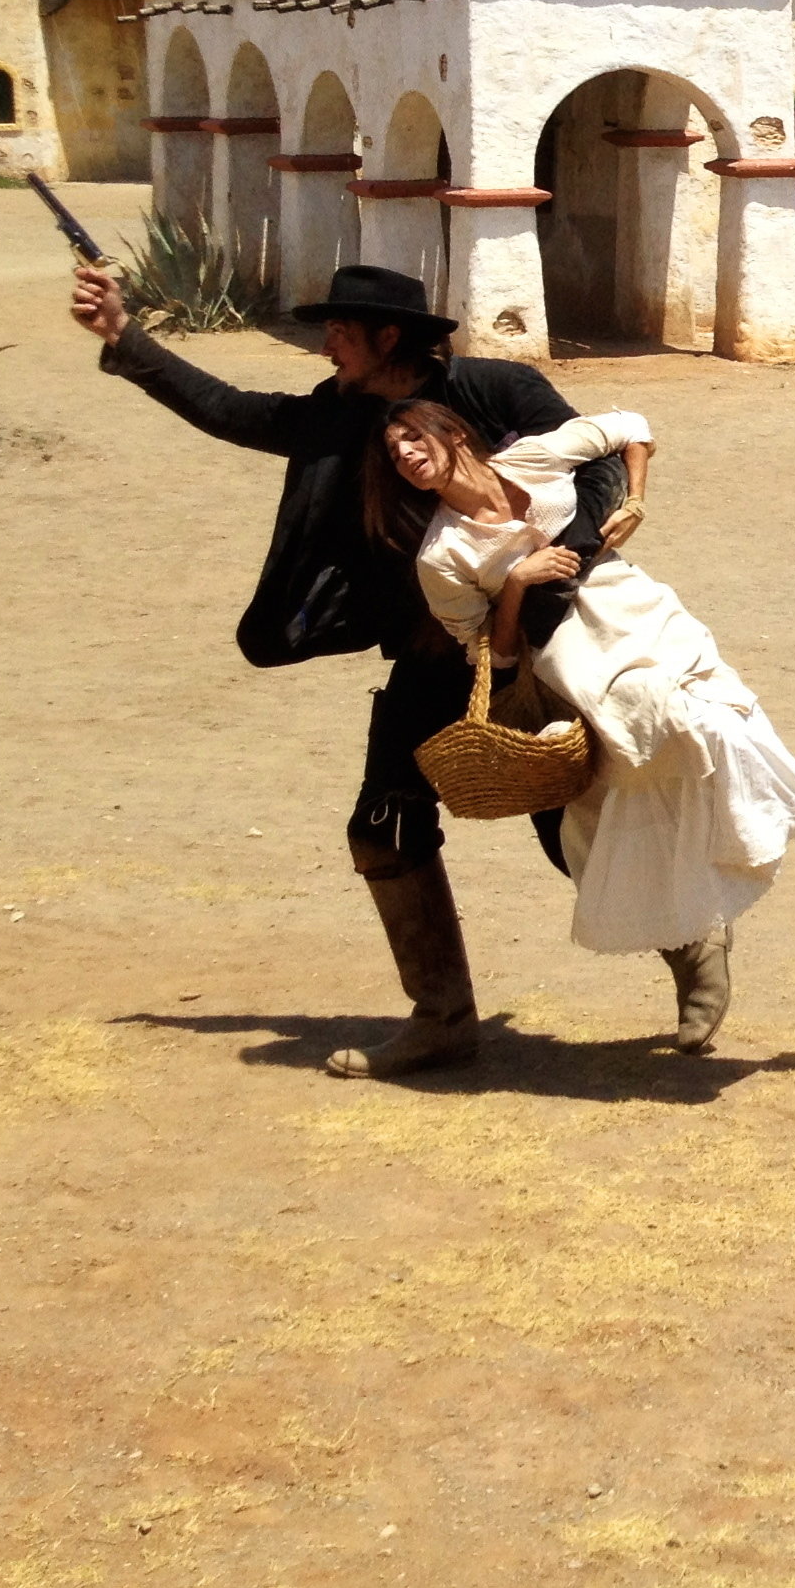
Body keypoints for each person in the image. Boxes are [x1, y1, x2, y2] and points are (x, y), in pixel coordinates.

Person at [73, 259, 625, 1081]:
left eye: (338, 330)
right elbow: (230, 410)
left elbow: (601, 470)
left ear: (387, 336)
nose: (325, 344)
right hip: (430, 660)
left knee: (571, 821)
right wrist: (125, 337)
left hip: (536, 646)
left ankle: (688, 942)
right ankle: (442, 1017)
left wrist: (554, 568)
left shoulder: (499, 392)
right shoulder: (337, 418)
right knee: (383, 826)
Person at [370, 400, 795, 1054]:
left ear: (452, 434)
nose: (407, 455)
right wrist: (515, 585)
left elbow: (632, 425)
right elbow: (493, 655)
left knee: (737, 736)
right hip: (573, 661)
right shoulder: (441, 554)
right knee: (624, 813)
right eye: (395, 452)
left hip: (639, 613)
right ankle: (695, 950)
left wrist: (636, 498)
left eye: (414, 438)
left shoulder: (534, 457)